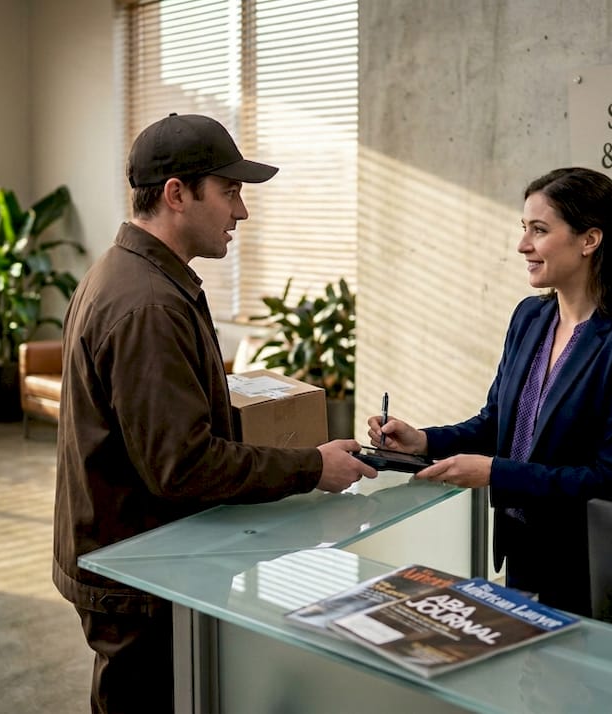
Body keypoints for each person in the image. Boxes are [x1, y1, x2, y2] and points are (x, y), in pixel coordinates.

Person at [53, 113, 377, 714]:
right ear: (177, 194)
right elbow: (181, 466)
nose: (241, 212)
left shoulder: (137, 278)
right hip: (140, 572)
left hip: (137, 552)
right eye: (230, 192)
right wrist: (311, 467)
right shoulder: (147, 303)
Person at [368, 167, 612, 616]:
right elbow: (497, 423)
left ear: (589, 240)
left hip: (589, 567)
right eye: (524, 229)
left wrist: (496, 473)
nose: (522, 245)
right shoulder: (530, 318)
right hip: (521, 553)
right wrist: (425, 440)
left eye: (539, 230)